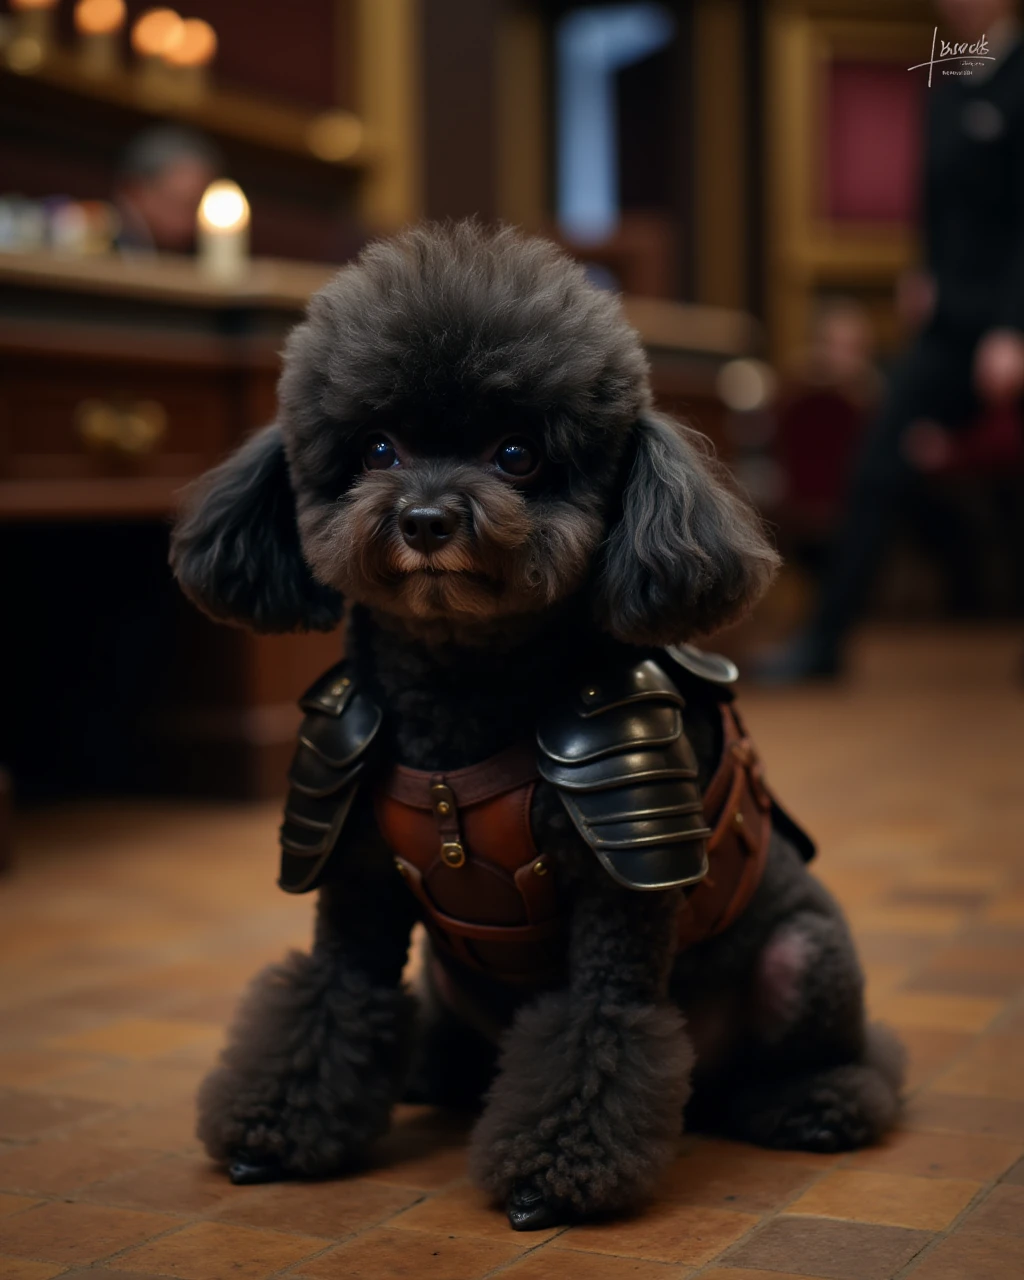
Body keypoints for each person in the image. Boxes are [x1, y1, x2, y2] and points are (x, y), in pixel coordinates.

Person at [757, 0, 1024, 681]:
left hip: (1007, 323)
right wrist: (925, 274)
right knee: (875, 465)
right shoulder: (950, 78)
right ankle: (824, 642)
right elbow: (935, 206)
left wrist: (1012, 327)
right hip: (948, 324)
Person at [113, 126, 222, 254]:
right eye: (178, 205)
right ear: (135, 191)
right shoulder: (102, 244)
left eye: (197, 208)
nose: (188, 225)